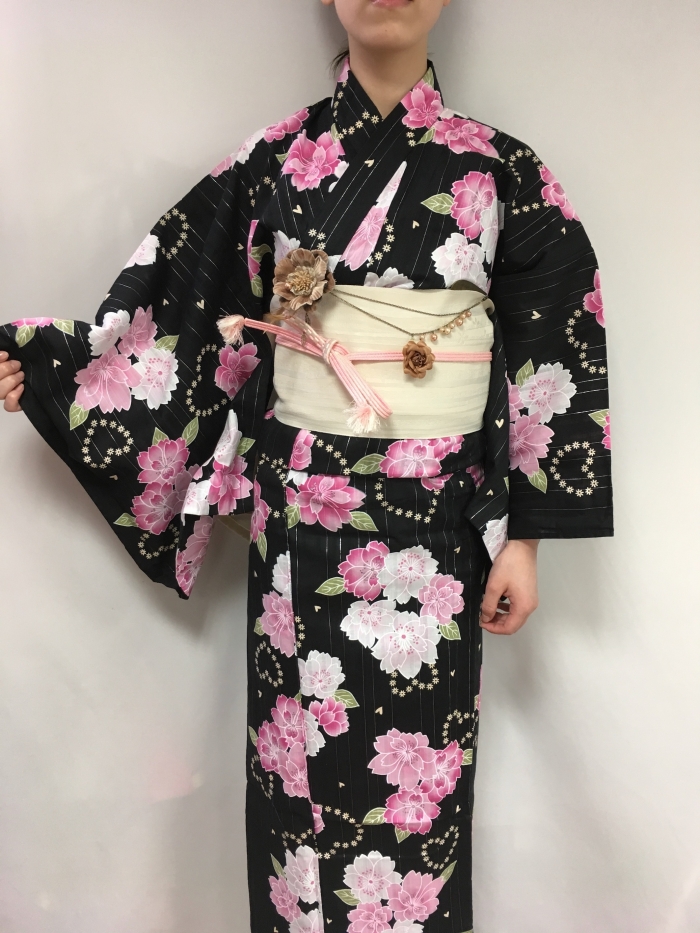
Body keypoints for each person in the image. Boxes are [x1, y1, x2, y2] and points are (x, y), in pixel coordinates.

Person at [0, 0, 612, 929]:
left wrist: (524, 538)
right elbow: (181, 314)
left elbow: (551, 343)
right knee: (299, 795)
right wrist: (55, 370)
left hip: (439, 537)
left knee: (420, 801)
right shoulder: (275, 162)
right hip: (300, 533)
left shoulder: (500, 171)